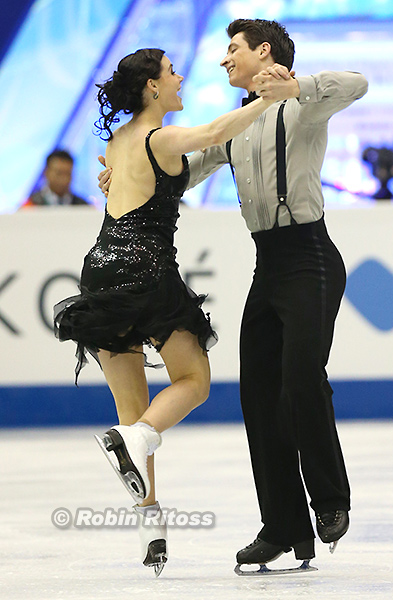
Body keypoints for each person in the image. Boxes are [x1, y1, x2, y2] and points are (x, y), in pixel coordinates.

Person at [98, 21, 368, 574]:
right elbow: (187, 166)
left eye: (233, 50)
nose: (224, 60)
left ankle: (331, 501)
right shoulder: (235, 125)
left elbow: (357, 83)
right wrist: (133, 180)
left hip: (311, 258)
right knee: (259, 394)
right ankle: (282, 526)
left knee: (300, 377)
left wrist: (298, 87)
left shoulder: (302, 103)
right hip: (267, 264)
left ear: (262, 52)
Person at [53, 47, 276, 576]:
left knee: (136, 409)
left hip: (101, 268)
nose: (180, 79)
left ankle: (150, 528)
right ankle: (131, 441)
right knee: (193, 381)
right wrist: (266, 98)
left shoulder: (118, 140)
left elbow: (125, 182)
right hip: (146, 272)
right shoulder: (162, 137)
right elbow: (219, 132)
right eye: (172, 73)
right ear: (152, 88)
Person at [25, 149, 90, 207]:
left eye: (67, 174)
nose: (63, 179)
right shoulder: (31, 205)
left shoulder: (83, 206)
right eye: (59, 173)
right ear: (46, 172)